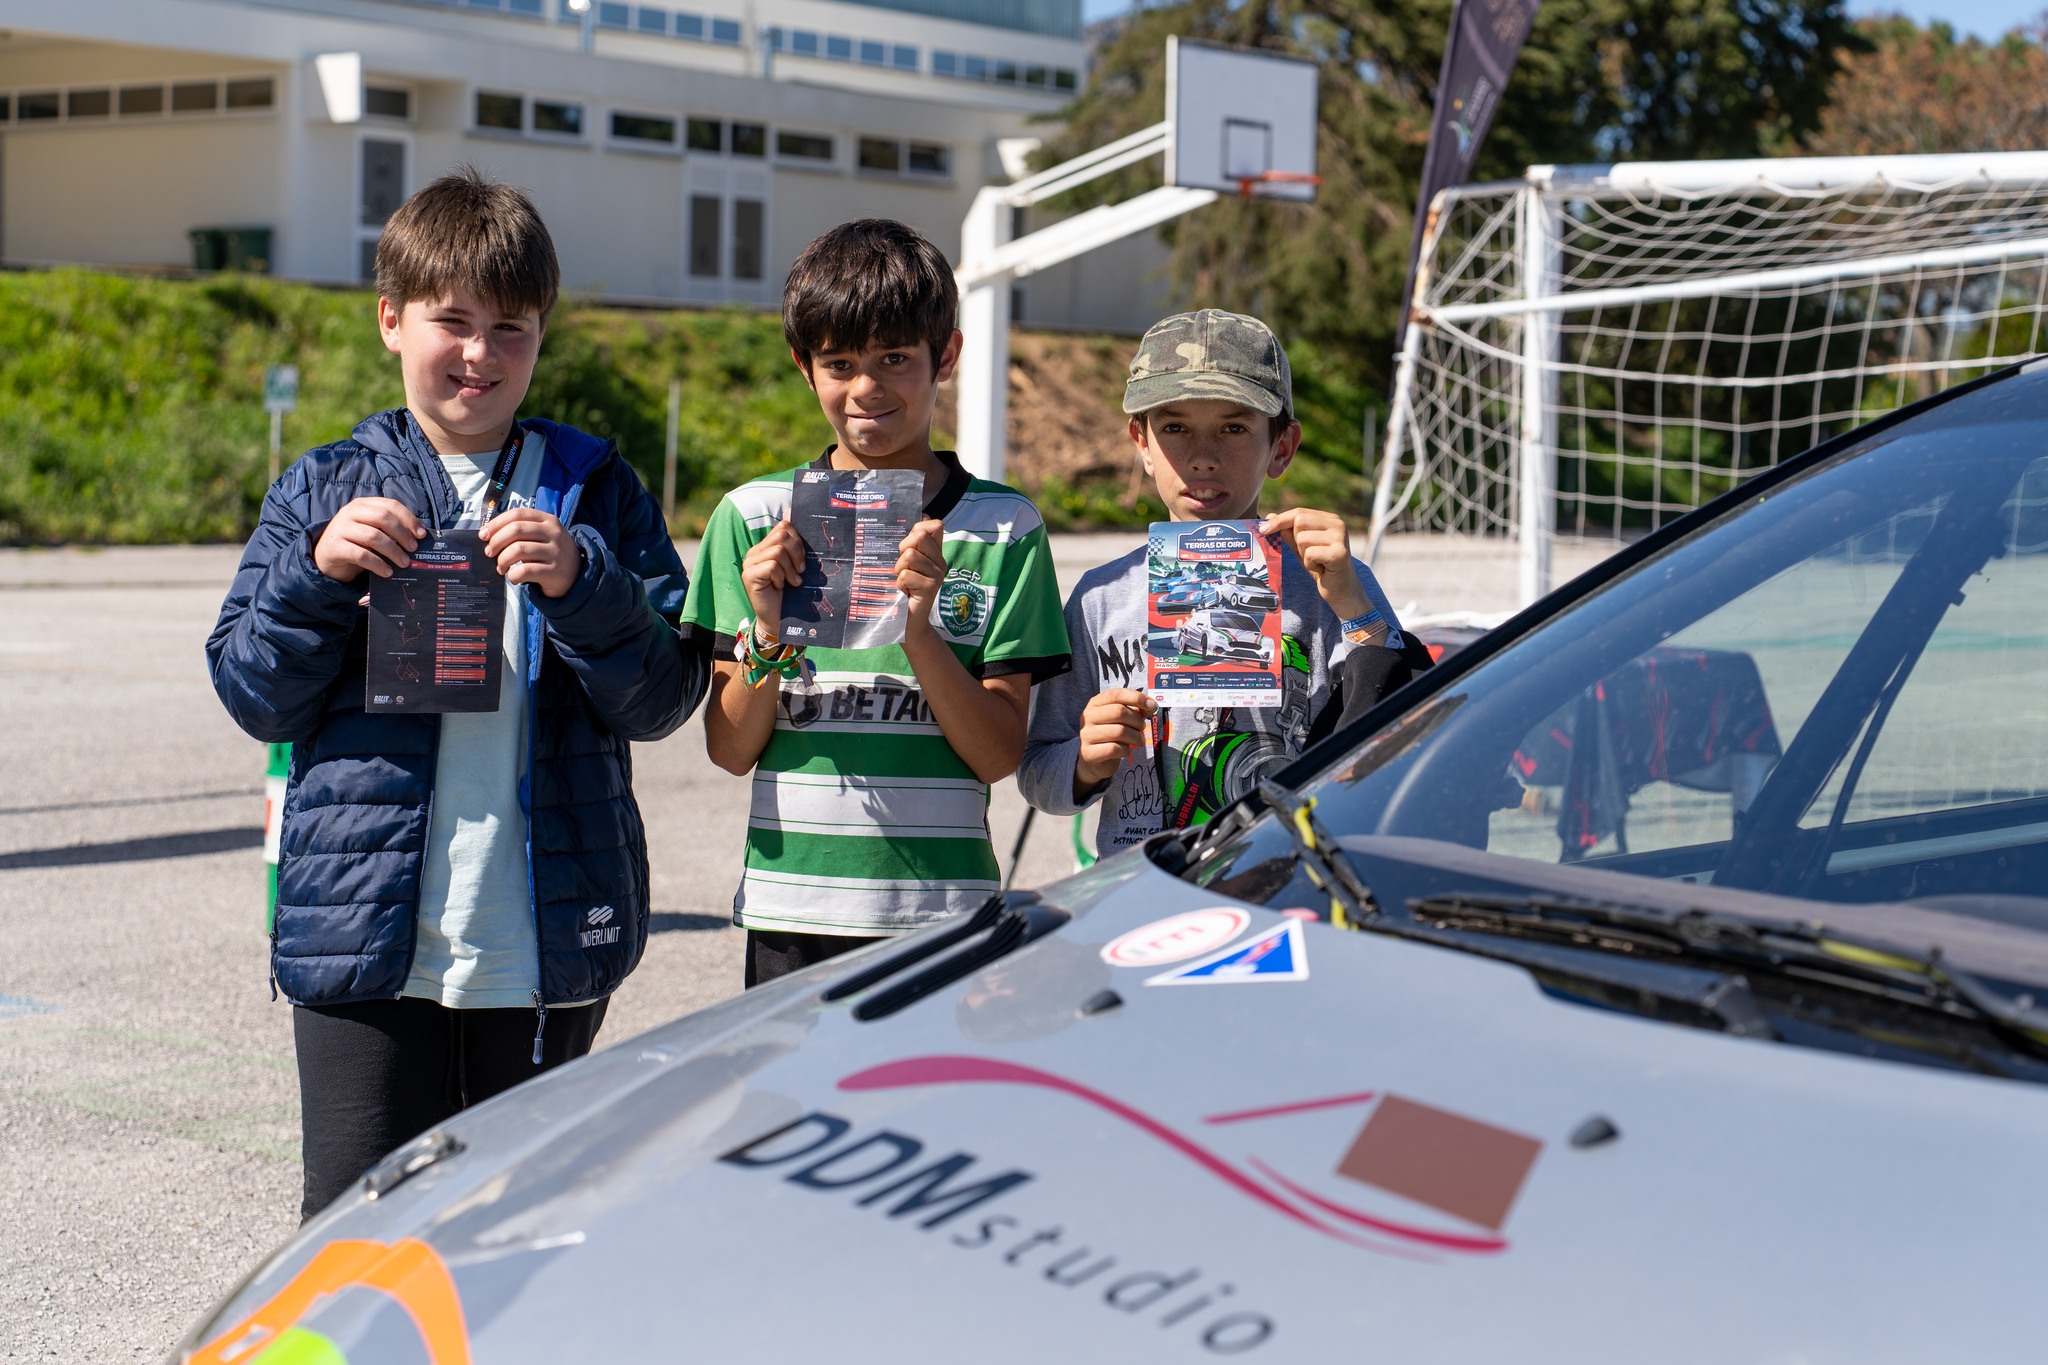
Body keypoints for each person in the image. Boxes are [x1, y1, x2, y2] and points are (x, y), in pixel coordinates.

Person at [206, 167, 705, 1220]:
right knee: (354, 1239)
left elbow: (662, 697)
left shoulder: (595, 488)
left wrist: (585, 583)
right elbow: (254, 695)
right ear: (391, 319)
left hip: (542, 944)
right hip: (359, 941)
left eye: (510, 328)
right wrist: (316, 576)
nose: (480, 354)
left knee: (519, 1237)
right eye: (453, 321)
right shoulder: (323, 486)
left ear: (542, 334)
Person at [682, 218, 1070, 987]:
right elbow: (729, 750)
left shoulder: (1005, 526)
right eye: (840, 362)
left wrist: (919, 631)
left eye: (895, 358)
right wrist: (768, 628)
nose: (867, 388)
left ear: (946, 356)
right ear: (804, 367)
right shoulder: (752, 517)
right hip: (792, 906)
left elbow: (998, 756)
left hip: (945, 910)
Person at [1017, 309, 1431, 857]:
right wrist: (1086, 763)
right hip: (1144, 884)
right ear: (1142, 443)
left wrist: (1354, 606)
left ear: (1281, 447)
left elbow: (1406, 735)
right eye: (1174, 428)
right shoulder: (1100, 598)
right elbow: (1037, 775)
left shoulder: (1333, 584)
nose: (1203, 457)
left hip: (1289, 873)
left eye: (1234, 428)